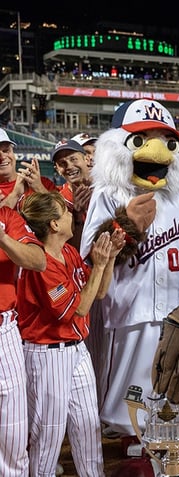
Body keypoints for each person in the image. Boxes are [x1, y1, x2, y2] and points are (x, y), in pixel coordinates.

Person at [79, 98, 179, 439]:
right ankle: (129, 442)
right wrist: (123, 226)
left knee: (170, 389)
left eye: (164, 139)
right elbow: (90, 254)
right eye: (141, 138)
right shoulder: (108, 193)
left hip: (174, 306)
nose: (156, 149)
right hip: (130, 303)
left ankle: (166, 440)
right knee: (127, 399)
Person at [17, 191, 123, 477]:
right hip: (46, 354)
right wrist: (99, 264)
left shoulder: (69, 252)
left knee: (88, 426)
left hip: (77, 349)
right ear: (53, 224)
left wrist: (109, 258)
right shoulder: (40, 265)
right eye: (64, 212)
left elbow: (98, 292)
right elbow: (77, 310)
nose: (71, 214)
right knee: (48, 437)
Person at [0, 194, 46, 476]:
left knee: (14, 430)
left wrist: (3, 238)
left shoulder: (8, 217)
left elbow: (38, 260)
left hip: (4, 330)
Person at [50, 139, 93, 250]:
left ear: (86, 159)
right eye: (62, 163)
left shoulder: (107, 189)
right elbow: (71, 249)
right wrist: (77, 215)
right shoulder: (58, 202)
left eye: (73, 159)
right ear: (57, 169)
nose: (69, 166)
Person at [0, 128, 56, 210]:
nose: (3, 157)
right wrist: (15, 194)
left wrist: (39, 187)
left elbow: (63, 214)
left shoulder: (42, 183)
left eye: (6, 150)